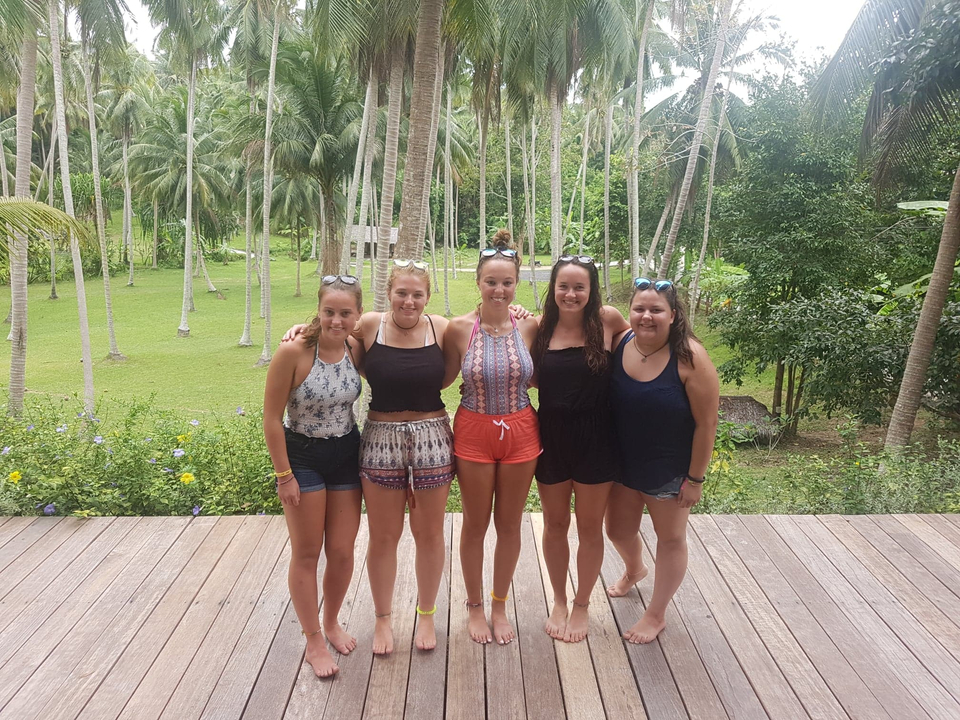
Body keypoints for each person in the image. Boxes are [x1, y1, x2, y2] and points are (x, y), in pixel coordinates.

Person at [604, 277, 719, 644]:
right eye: (639, 308)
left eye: (656, 310)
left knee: (670, 539)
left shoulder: (690, 357)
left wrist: (696, 479)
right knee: (617, 530)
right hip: (622, 463)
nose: (646, 316)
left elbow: (707, 423)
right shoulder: (622, 341)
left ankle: (656, 614)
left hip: (668, 469)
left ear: (672, 314)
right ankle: (635, 569)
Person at [263, 275, 365, 678]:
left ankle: (332, 621)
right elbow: (271, 420)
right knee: (307, 552)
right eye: (328, 312)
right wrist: (283, 474)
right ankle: (312, 639)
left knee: (341, 551)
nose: (336, 320)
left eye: (345, 313)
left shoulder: (357, 346)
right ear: (318, 311)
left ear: (357, 315)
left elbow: (403, 319)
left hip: (345, 452)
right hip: (302, 456)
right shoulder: (294, 351)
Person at [443, 229, 541, 645]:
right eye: (490, 281)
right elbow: (440, 377)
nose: (498, 290)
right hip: (473, 431)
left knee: (510, 524)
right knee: (475, 524)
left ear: (515, 284)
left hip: (520, 430)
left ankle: (500, 604)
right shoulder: (458, 328)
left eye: (506, 283)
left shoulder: (530, 326)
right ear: (478, 283)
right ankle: (475, 607)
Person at [357, 260, 454, 655]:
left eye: (417, 294)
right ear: (389, 293)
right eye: (402, 292)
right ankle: (383, 619)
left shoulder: (442, 328)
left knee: (429, 533)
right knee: (383, 536)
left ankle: (426, 613)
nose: (409, 301)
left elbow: (485, 321)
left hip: (432, 436)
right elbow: (327, 331)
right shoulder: (368, 325)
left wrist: (516, 310)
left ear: (427, 297)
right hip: (380, 438)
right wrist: (298, 329)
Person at [530, 255, 628, 643]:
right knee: (555, 524)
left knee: (590, 527)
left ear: (592, 290)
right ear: (553, 289)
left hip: (597, 437)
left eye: (579, 287)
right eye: (563, 286)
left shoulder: (609, 320)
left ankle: (583, 602)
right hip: (551, 436)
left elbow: (651, 340)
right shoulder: (538, 328)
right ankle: (558, 598)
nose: (571, 294)